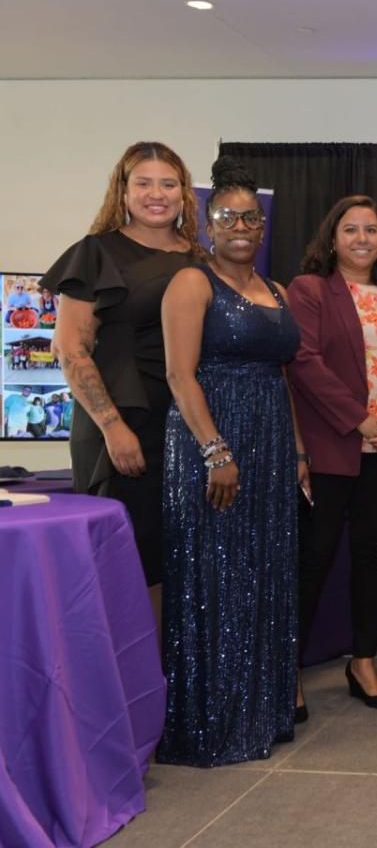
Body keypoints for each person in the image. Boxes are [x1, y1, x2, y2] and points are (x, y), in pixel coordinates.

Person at [157, 158, 305, 766]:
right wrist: (216, 451)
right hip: (210, 439)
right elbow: (178, 374)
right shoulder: (192, 282)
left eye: (252, 216)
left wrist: (295, 451)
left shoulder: (277, 290)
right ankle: (211, 722)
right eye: (228, 217)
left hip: (269, 442)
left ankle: (259, 713)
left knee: (262, 573)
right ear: (207, 224)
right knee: (215, 577)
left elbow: (281, 378)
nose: (242, 226)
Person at [289, 195, 377, 717]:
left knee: (375, 558)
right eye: (351, 230)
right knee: (314, 559)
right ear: (332, 238)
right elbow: (303, 361)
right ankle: (289, 669)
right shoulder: (309, 291)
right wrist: (357, 418)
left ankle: (364, 660)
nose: (362, 239)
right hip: (332, 448)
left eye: (371, 229)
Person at [41, 141, 201, 588]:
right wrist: (112, 426)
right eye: (144, 183)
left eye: (168, 183)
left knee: (181, 559)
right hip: (121, 423)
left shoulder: (201, 259)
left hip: (187, 423)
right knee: (127, 559)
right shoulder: (97, 252)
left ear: (184, 192)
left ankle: (174, 659)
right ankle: (126, 660)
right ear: (123, 191)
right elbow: (70, 349)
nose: (157, 194)